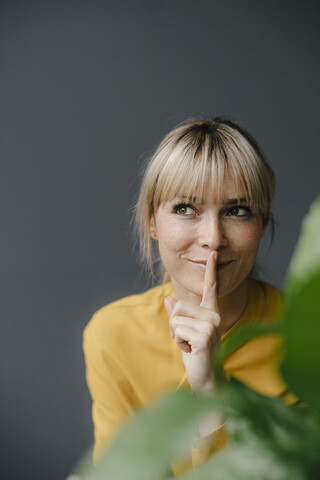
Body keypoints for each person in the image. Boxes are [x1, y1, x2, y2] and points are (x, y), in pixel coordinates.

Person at [83, 118, 290, 473]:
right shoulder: (113, 335)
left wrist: (211, 393)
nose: (213, 237)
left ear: (263, 224)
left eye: (237, 211)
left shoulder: (305, 336)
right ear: (151, 221)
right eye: (185, 209)